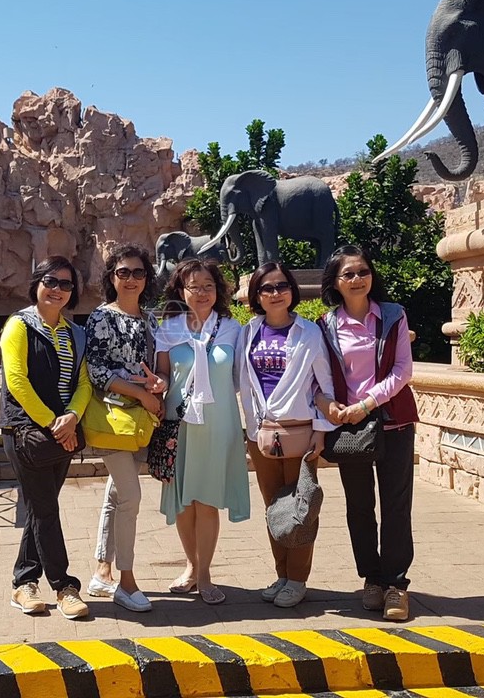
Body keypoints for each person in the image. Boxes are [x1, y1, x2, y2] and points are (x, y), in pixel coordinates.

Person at [316, 245, 419, 622]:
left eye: (363, 271)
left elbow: (402, 370)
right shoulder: (325, 325)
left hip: (392, 421)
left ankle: (396, 584)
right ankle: (371, 579)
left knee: (396, 504)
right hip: (350, 426)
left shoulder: (392, 315)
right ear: (335, 282)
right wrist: (329, 405)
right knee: (359, 506)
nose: (357, 279)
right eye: (349, 274)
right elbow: (319, 376)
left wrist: (368, 403)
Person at [237, 262, 335, 608]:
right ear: (257, 295)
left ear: (292, 291)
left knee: (301, 508)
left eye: (281, 286)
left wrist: (321, 431)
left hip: (300, 433)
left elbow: (325, 384)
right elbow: (240, 381)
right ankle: (281, 574)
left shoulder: (309, 333)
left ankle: (298, 579)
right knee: (274, 509)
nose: (275, 293)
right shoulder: (248, 332)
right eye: (267, 288)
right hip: (262, 435)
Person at [0, 256, 91, 620]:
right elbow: (16, 381)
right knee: (46, 509)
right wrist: (54, 424)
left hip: (63, 431)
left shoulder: (75, 333)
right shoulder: (19, 325)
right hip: (26, 432)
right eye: (51, 281)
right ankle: (64, 586)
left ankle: (24, 582)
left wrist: (73, 417)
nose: (57, 290)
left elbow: (83, 383)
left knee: (42, 508)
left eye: (66, 284)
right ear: (36, 284)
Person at [154, 258, 249, 605]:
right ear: (181, 290)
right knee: (184, 502)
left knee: (207, 501)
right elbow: (164, 376)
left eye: (209, 285)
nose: (202, 292)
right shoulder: (168, 329)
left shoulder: (232, 328)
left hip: (218, 424)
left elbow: (241, 377)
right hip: (179, 425)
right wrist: (156, 384)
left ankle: (205, 573)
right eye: (194, 286)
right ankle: (191, 567)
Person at [85, 244, 165, 612]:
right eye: (123, 272)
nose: (131, 279)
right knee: (131, 496)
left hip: (140, 420)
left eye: (138, 272)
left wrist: (158, 385)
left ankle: (102, 572)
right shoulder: (102, 317)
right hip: (113, 417)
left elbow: (157, 368)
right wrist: (141, 394)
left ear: (147, 278)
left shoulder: (150, 320)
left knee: (116, 493)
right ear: (112, 277)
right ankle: (127, 582)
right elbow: (97, 370)